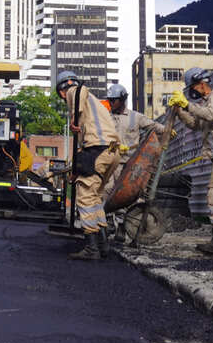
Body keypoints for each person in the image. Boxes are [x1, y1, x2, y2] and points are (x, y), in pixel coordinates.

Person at [168, 67, 213, 256]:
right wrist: (179, 112)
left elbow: (209, 115)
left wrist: (186, 105)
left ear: (201, 84)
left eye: (192, 86)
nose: (192, 91)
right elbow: (196, 124)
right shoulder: (206, 103)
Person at [56, 70, 122, 260]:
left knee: (84, 198)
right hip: (110, 152)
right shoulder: (93, 107)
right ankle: (102, 245)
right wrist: (76, 170)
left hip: (98, 150)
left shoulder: (74, 92)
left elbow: (78, 90)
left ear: (61, 90)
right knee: (94, 199)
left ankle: (92, 248)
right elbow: (81, 149)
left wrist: (73, 118)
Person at [101, 83, 160, 207]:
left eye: (113, 100)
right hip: (113, 164)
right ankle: (110, 220)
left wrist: (167, 130)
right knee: (108, 191)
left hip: (132, 165)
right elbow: (102, 140)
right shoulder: (106, 119)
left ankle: (130, 219)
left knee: (132, 194)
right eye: (109, 100)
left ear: (122, 100)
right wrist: (114, 146)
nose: (111, 103)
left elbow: (153, 126)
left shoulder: (135, 117)